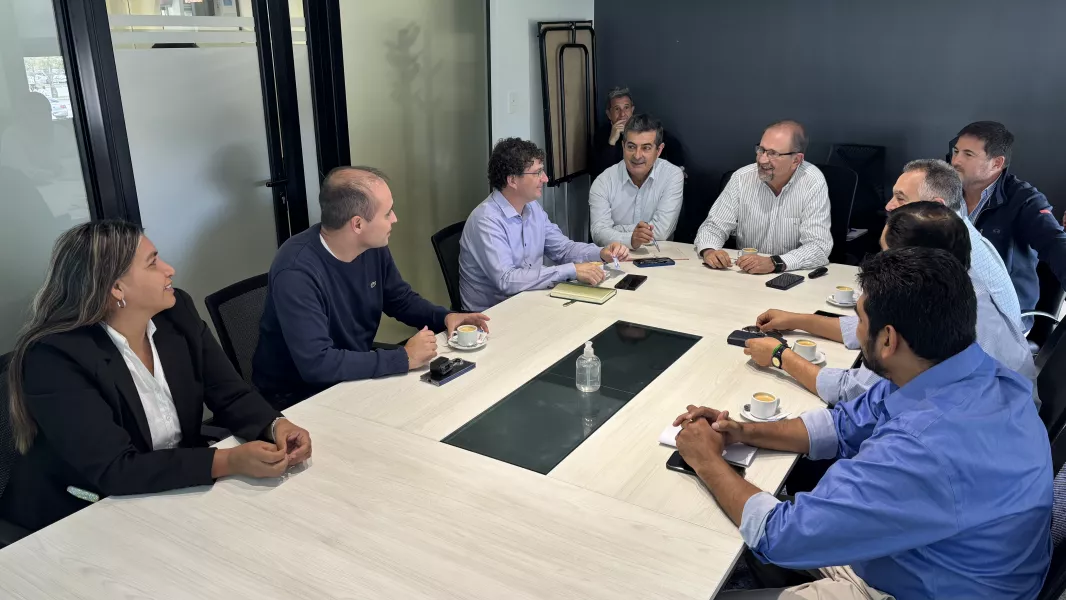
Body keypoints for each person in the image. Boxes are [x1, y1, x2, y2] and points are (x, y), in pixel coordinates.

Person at [674, 247, 1053, 599]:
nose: (853, 330)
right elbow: (843, 425)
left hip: (922, 587)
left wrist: (706, 459)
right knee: (746, 515)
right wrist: (743, 432)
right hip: (930, 554)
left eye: (859, 319)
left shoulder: (920, 448)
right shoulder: (960, 371)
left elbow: (781, 535)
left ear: (888, 340)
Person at [0, 221, 312, 533]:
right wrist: (227, 461)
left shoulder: (176, 313)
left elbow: (230, 393)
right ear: (116, 288)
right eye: (152, 263)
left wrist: (276, 426)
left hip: (169, 492)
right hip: (77, 517)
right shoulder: (55, 358)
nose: (169, 269)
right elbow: (114, 469)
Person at [748, 201, 1037, 407]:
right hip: (1013, 419)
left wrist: (780, 356)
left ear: (915, 264)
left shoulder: (937, 315)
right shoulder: (959, 284)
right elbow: (870, 327)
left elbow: (853, 392)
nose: (880, 262)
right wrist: (798, 320)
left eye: (886, 254)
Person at [252, 166, 490, 406]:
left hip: (354, 376)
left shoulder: (371, 247)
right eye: (387, 214)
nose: (394, 219)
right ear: (357, 224)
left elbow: (400, 299)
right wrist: (403, 358)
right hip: (298, 399)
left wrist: (445, 317)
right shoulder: (296, 271)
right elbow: (317, 364)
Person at [459, 138, 629, 312]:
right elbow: (507, 280)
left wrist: (601, 253)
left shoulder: (532, 207)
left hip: (529, 302)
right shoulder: (486, 220)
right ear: (512, 180)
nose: (545, 179)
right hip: (492, 315)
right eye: (537, 173)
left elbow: (563, 249)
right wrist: (571, 270)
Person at [949, 121, 1066, 329]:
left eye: (968, 154)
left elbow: (1055, 243)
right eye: (956, 151)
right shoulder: (947, 194)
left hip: (1002, 319)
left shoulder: (1024, 201)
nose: (955, 160)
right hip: (951, 306)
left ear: (997, 163)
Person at [694, 120, 832, 274]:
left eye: (773, 153)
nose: (762, 160)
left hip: (790, 274)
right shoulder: (742, 178)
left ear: (796, 160)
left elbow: (819, 246)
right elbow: (714, 226)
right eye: (761, 150)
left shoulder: (812, 181)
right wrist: (709, 250)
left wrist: (775, 262)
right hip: (744, 273)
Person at [588, 113, 684, 248]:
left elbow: (661, 232)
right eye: (631, 147)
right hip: (615, 257)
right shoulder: (603, 181)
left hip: (660, 256)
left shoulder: (672, 175)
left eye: (646, 148)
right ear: (623, 146)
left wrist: (616, 230)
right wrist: (631, 238)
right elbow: (598, 233)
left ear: (659, 150)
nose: (637, 155)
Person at [588, 87, 685, 179]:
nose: (622, 114)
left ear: (632, 110)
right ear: (609, 114)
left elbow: (673, 145)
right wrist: (611, 142)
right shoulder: (600, 135)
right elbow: (598, 172)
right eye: (617, 109)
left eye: (626, 108)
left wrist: (678, 170)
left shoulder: (644, 125)